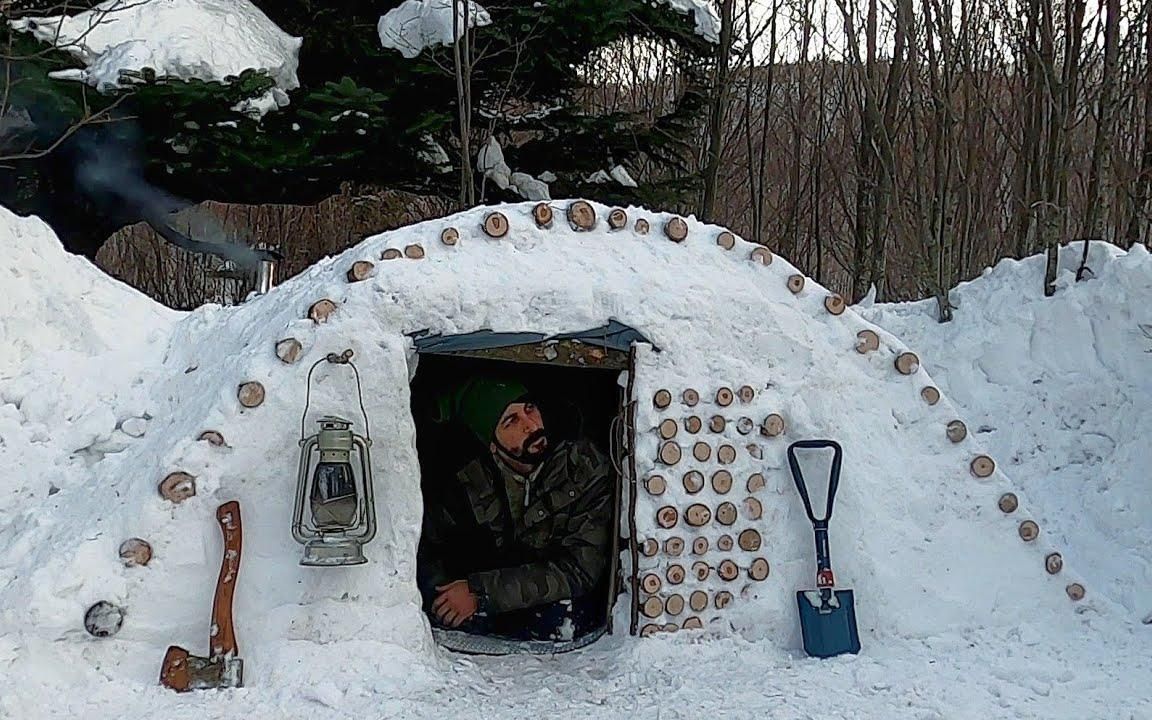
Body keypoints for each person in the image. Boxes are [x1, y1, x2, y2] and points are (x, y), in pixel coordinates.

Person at [417, 376, 613, 643]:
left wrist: (480, 593)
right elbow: (427, 547)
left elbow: (581, 569)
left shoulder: (583, 468)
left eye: (529, 409)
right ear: (492, 445)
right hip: (492, 601)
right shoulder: (467, 481)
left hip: (555, 603)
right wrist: (447, 596)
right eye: (511, 422)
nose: (531, 425)